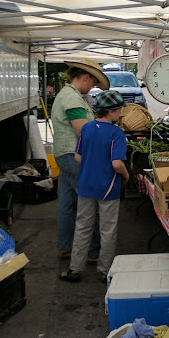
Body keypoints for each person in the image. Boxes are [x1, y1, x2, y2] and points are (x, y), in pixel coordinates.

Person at [59, 90, 129, 282]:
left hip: (86, 185)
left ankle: (75, 269)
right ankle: (104, 271)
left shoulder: (87, 128)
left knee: (82, 227)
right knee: (107, 230)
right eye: (119, 110)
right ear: (111, 112)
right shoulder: (117, 133)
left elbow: (78, 157)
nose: (120, 113)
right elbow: (117, 163)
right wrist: (125, 174)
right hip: (108, 188)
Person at [51, 59, 109, 262]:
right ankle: (93, 252)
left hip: (65, 155)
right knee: (90, 204)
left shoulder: (71, 95)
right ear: (85, 77)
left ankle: (66, 246)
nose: (92, 87)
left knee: (68, 203)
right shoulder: (71, 98)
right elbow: (84, 132)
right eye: (92, 83)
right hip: (73, 156)